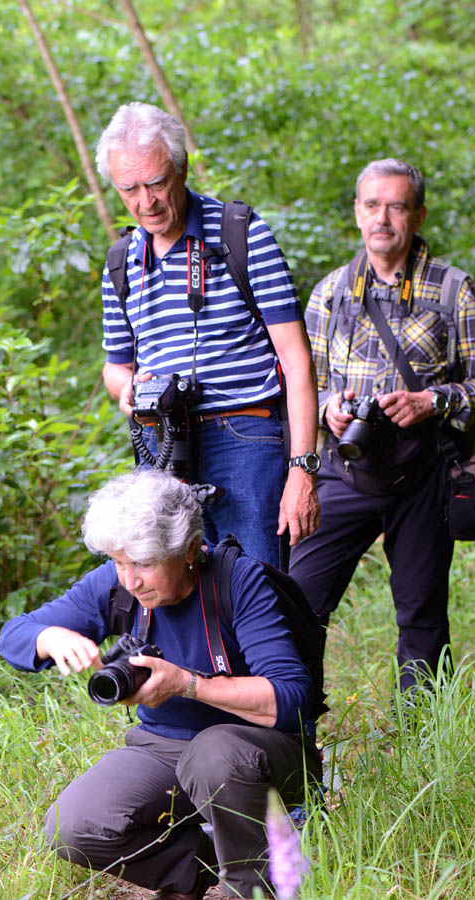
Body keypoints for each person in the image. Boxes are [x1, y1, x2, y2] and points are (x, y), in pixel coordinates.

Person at [0, 469, 322, 900]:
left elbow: (292, 698)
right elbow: (13, 634)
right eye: (119, 562)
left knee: (214, 755)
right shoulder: (118, 584)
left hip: (262, 749)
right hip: (163, 746)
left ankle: (254, 888)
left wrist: (187, 685)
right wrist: (49, 636)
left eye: (145, 564)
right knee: (74, 825)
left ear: (189, 550)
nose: (130, 579)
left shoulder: (239, 582)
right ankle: (193, 875)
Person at [289, 158, 475, 693]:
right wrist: (331, 407)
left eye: (397, 206)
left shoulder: (454, 290)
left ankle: (424, 743)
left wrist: (433, 401)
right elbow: (302, 385)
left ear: (418, 214)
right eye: (372, 205)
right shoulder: (330, 293)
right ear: (357, 212)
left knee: (422, 617)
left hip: (424, 473)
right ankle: (294, 731)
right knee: (297, 601)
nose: (383, 218)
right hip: (346, 466)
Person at [95, 102, 321, 568]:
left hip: (244, 435)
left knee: (257, 590)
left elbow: (297, 360)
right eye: (129, 189)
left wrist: (302, 470)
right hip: (161, 446)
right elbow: (116, 367)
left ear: (181, 169)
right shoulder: (121, 260)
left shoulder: (241, 233)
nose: (145, 202)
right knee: (177, 598)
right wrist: (129, 389)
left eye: (156, 183)